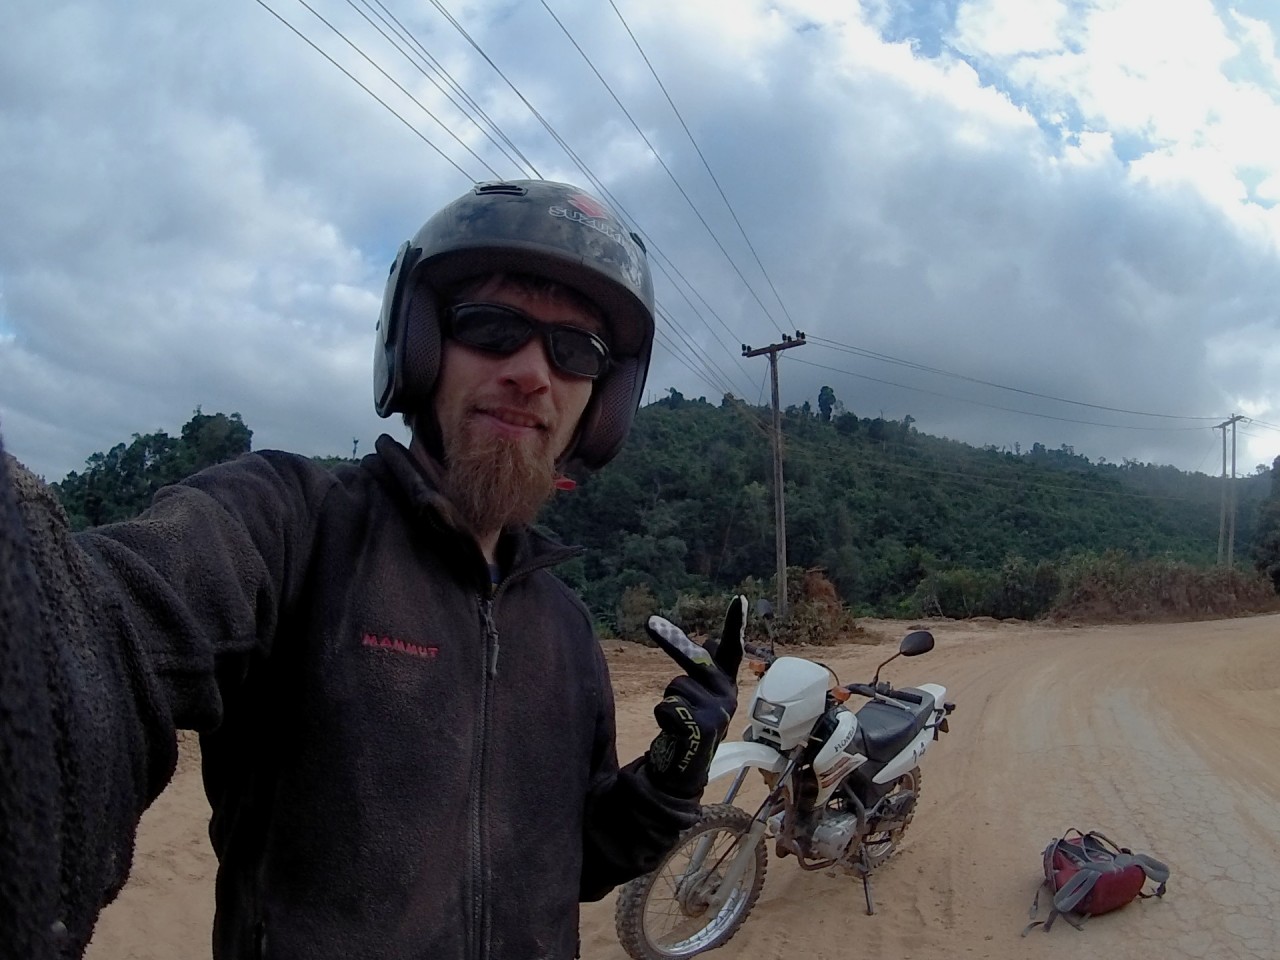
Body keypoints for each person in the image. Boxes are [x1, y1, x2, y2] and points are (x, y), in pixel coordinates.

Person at [0, 179, 744, 960]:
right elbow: (101, 632)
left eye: (576, 350)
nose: (533, 372)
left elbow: (574, 864)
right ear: (417, 348)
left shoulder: (564, 629)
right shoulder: (291, 524)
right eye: (491, 327)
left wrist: (665, 782)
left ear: (603, 399)